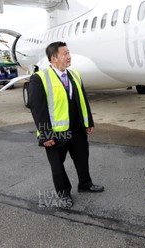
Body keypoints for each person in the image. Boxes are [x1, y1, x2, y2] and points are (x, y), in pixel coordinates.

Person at [27, 41, 104, 209]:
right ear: (54, 58)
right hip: (55, 132)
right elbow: (38, 109)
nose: (69, 57)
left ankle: (85, 183)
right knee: (57, 164)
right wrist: (46, 134)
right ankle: (63, 193)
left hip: (76, 127)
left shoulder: (74, 75)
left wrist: (88, 121)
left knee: (82, 157)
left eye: (69, 53)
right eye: (65, 53)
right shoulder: (39, 78)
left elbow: (83, 100)